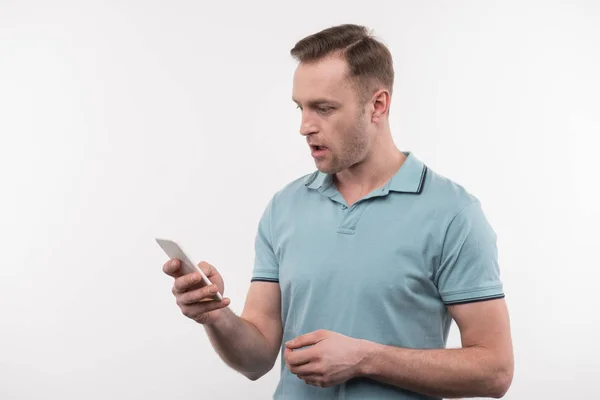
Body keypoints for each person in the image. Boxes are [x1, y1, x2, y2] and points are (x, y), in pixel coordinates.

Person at [162, 24, 514, 399]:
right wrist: (215, 316)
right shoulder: (285, 207)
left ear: (378, 105)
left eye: (324, 109)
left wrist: (366, 359)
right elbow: (256, 359)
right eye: (301, 107)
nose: (304, 127)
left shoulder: (453, 214)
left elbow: (494, 371)